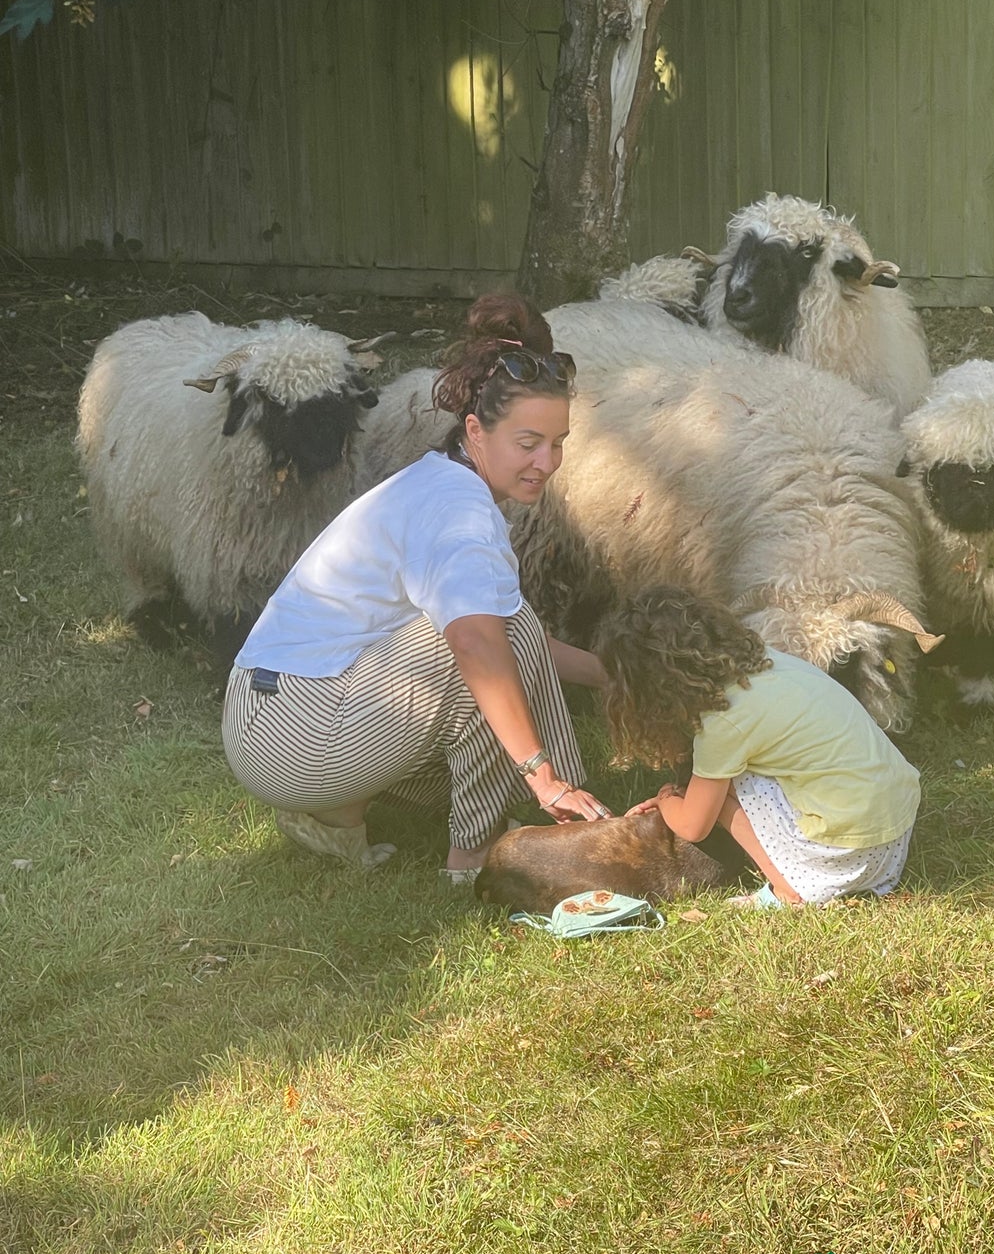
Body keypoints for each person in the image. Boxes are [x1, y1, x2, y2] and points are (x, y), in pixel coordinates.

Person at [222, 292, 611, 879]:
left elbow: (510, 642)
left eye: (557, 444)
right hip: (290, 734)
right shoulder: (460, 514)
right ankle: (475, 859)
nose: (546, 462)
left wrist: (611, 674)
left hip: (268, 711)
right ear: (476, 430)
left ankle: (336, 814)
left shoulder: (441, 479)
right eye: (527, 443)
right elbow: (482, 647)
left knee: (506, 631)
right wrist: (542, 772)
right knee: (498, 637)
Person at [593, 586, 921, 907]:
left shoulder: (725, 722)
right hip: (893, 840)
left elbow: (693, 826)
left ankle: (788, 890)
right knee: (721, 779)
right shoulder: (771, 662)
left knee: (729, 785)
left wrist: (666, 799)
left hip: (846, 861)